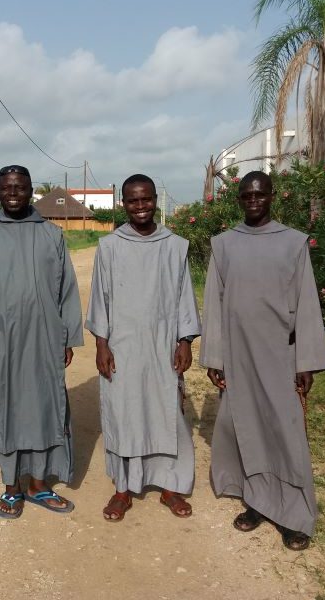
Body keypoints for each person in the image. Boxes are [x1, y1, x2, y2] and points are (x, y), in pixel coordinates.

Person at [200, 170, 325, 551]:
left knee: (285, 432)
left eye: (260, 194)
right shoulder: (223, 244)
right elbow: (214, 303)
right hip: (239, 355)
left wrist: (305, 361)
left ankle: (294, 515)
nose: (253, 200)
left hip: (280, 354)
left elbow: (307, 303)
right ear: (239, 199)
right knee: (247, 427)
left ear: (273, 196)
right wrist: (215, 357)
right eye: (246, 195)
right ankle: (257, 502)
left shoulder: (293, 243)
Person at [0, 165, 84, 519]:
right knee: (6, 410)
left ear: (30, 190)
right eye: (6, 188)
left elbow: (67, 291)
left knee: (46, 409)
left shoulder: (52, 235)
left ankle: (38, 484)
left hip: (45, 340)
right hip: (1, 344)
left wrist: (67, 338)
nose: (12, 193)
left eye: (19, 187)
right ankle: (10, 488)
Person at [86, 174, 201, 522]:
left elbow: (183, 297)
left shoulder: (175, 246)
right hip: (122, 346)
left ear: (155, 200)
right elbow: (100, 299)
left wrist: (185, 341)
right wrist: (101, 344)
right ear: (124, 203)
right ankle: (123, 488)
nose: (140, 206)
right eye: (133, 201)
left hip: (163, 345)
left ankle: (169, 485)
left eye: (146, 199)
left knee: (166, 413)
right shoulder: (110, 247)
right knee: (124, 414)